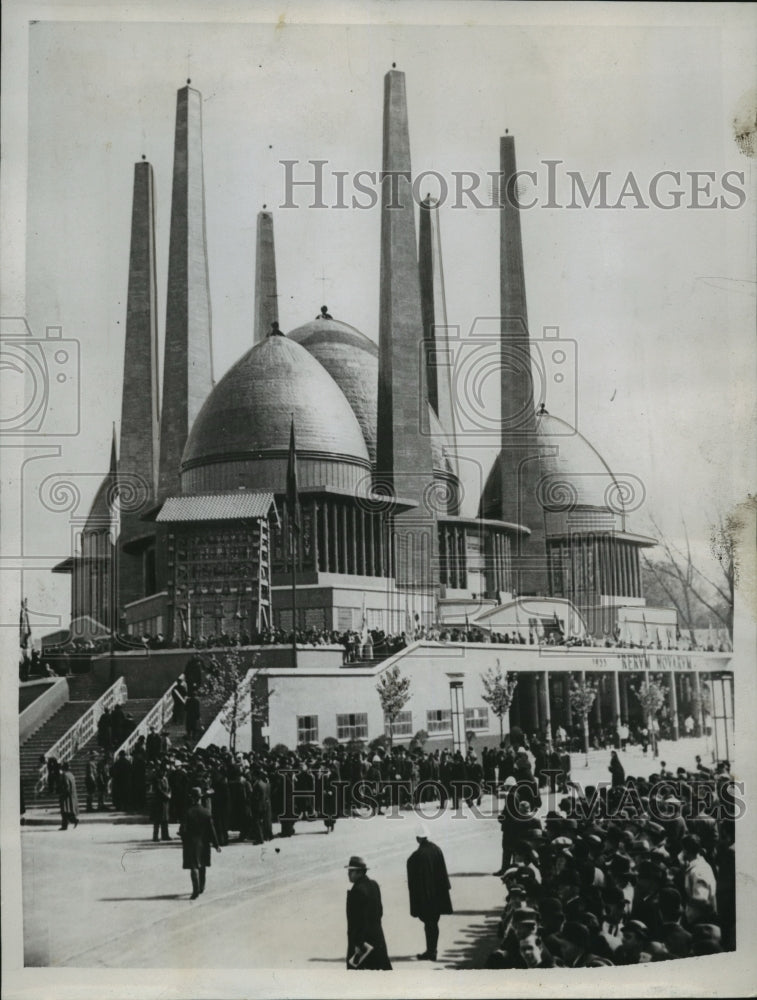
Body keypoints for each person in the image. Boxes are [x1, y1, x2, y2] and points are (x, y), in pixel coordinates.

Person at [407, 823, 453, 961]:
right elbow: (443, 874)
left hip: (426, 898)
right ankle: (432, 950)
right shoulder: (437, 849)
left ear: (417, 838)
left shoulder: (416, 856)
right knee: (433, 923)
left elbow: (414, 883)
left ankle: (431, 951)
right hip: (437, 895)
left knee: (429, 924)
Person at [345, 855, 392, 970]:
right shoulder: (374, 885)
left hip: (363, 944)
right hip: (377, 938)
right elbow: (380, 912)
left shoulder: (356, 891)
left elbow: (357, 922)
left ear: (359, 872)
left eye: (351, 871)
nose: (348, 874)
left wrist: (358, 944)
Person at [180, 786, 221, 899]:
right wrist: (216, 845)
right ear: (200, 798)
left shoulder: (187, 812)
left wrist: (183, 838)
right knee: (202, 865)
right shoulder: (206, 812)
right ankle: (202, 886)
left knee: (194, 866)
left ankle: (195, 890)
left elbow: (183, 830)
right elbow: (212, 830)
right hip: (204, 843)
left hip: (191, 843)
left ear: (192, 798)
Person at [151, 765, 172, 842]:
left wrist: (170, 794)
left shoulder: (165, 779)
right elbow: (158, 790)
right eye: (163, 771)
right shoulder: (157, 780)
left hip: (165, 802)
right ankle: (155, 836)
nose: (164, 773)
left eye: (165, 771)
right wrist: (166, 795)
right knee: (157, 819)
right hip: (159, 802)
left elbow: (169, 788)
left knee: (165, 819)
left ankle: (165, 835)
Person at [58, 761, 79, 830]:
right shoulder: (71, 774)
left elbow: (66, 785)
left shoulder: (64, 775)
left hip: (65, 795)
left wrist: (62, 793)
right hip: (72, 795)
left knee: (64, 810)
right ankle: (72, 821)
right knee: (68, 810)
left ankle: (66, 825)